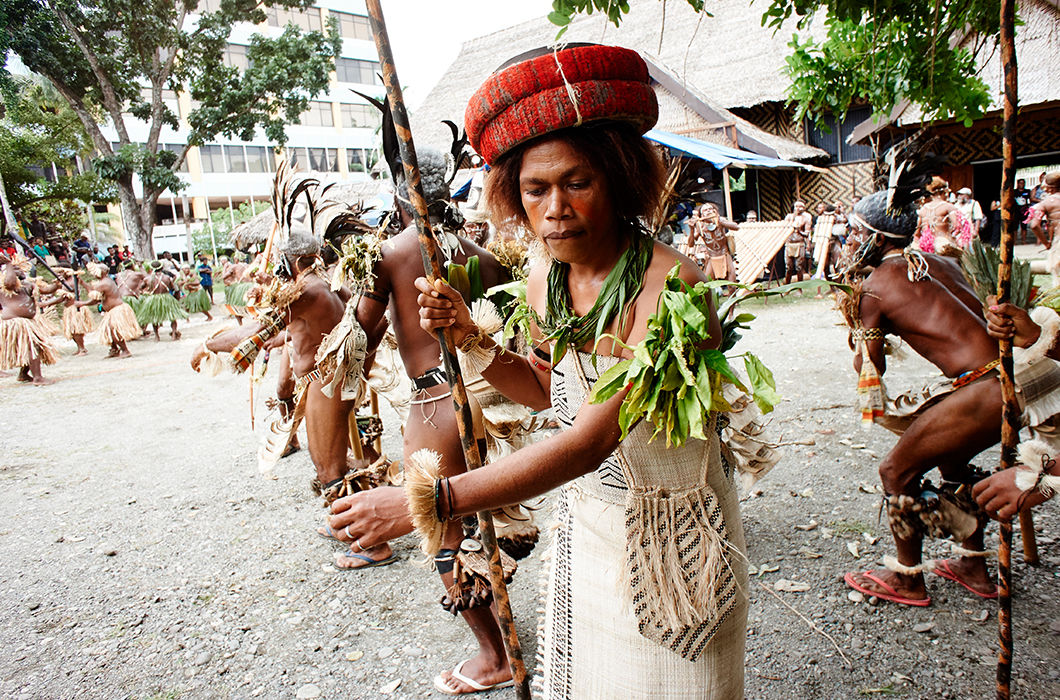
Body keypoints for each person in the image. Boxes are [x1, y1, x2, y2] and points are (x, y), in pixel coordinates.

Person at [328, 44, 747, 697]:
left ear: (621, 179)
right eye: (536, 188)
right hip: (593, 533)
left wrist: (430, 502)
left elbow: (590, 439)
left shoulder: (673, 288)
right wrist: (472, 340)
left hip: (677, 539)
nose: (556, 207)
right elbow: (547, 394)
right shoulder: (543, 280)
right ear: (513, 198)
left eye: (577, 182)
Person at [839, 183, 1060, 608]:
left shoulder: (874, 286)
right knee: (951, 456)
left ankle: (906, 577)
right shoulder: (944, 261)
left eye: (855, 233)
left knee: (895, 472)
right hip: (1027, 370)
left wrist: (858, 333)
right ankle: (972, 564)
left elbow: (872, 370)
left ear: (877, 238)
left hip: (990, 385)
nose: (850, 242)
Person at [0, 257, 58, 384]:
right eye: (15, 269)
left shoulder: (27, 284)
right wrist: (9, 264)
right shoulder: (4, 285)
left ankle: (23, 374)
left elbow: (47, 290)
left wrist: (58, 283)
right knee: (32, 347)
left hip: (27, 322)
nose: (19, 271)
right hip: (16, 322)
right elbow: (9, 284)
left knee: (30, 347)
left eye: (19, 269)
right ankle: (37, 378)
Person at [915, 177, 972, 255]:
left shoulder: (923, 209)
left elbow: (917, 232)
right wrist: (952, 238)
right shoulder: (948, 207)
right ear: (943, 192)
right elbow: (957, 227)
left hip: (925, 245)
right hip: (943, 244)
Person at [689, 203, 738, 283]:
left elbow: (736, 227)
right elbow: (691, 244)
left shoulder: (720, 220)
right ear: (701, 214)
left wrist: (719, 221)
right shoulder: (700, 226)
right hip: (711, 257)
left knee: (732, 284)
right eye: (705, 210)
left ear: (714, 211)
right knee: (707, 284)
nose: (708, 211)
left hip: (725, 254)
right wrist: (691, 229)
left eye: (710, 209)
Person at [137, 262, 186, 340]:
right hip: (166, 298)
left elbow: (140, 288)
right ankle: (173, 333)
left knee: (154, 318)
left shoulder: (147, 279)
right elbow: (174, 288)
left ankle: (157, 336)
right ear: (162, 268)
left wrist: (146, 292)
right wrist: (176, 298)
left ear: (152, 269)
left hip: (153, 299)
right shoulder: (167, 278)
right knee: (172, 317)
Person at [783, 200, 812, 284]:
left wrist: (799, 231)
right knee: (788, 267)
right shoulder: (789, 217)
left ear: (804, 208)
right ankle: (786, 287)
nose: (798, 208)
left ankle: (799, 288)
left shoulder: (806, 218)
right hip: (789, 244)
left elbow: (807, 233)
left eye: (801, 206)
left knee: (799, 267)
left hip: (800, 244)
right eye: (796, 206)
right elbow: (784, 229)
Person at [1014, 178, 1032, 243]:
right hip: (1016, 211)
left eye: (1023, 183)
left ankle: (1023, 240)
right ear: (1018, 184)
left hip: (1024, 211)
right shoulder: (1014, 192)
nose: (1022, 184)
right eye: (1020, 183)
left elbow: (1031, 199)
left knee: (1024, 226)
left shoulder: (1027, 191)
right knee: (1015, 227)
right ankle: (1014, 241)